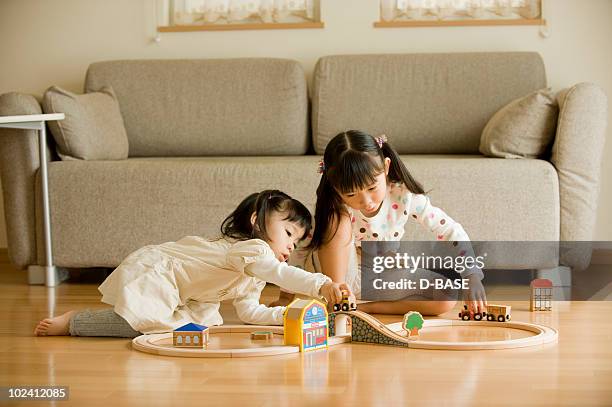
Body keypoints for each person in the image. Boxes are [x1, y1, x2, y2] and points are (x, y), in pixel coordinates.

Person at [35, 190, 349, 338]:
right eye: (288, 234)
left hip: (188, 294)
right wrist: (320, 283)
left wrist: (292, 316)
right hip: (159, 272)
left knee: (203, 324)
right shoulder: (252, 250)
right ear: (257, 221)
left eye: (296, 243)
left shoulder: (253, 274)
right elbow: (280, 273)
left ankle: (114, 320)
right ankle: (76, 322)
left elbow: (250, 312)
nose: (290, 247)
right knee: (145, 326)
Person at [276, 130, 487, 316]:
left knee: (446, 295)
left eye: (371, 188)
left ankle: (361, 308)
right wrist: (286, 297)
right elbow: (299, 248)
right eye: (351, 194)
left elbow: (449, 230)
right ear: (335, 187)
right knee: (336, 220)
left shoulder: (404, 196)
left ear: (386, 167)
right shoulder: (335, 208)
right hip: (336, 275)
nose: (365, 202)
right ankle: (337, 304)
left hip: (376, 274)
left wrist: (471, 275)